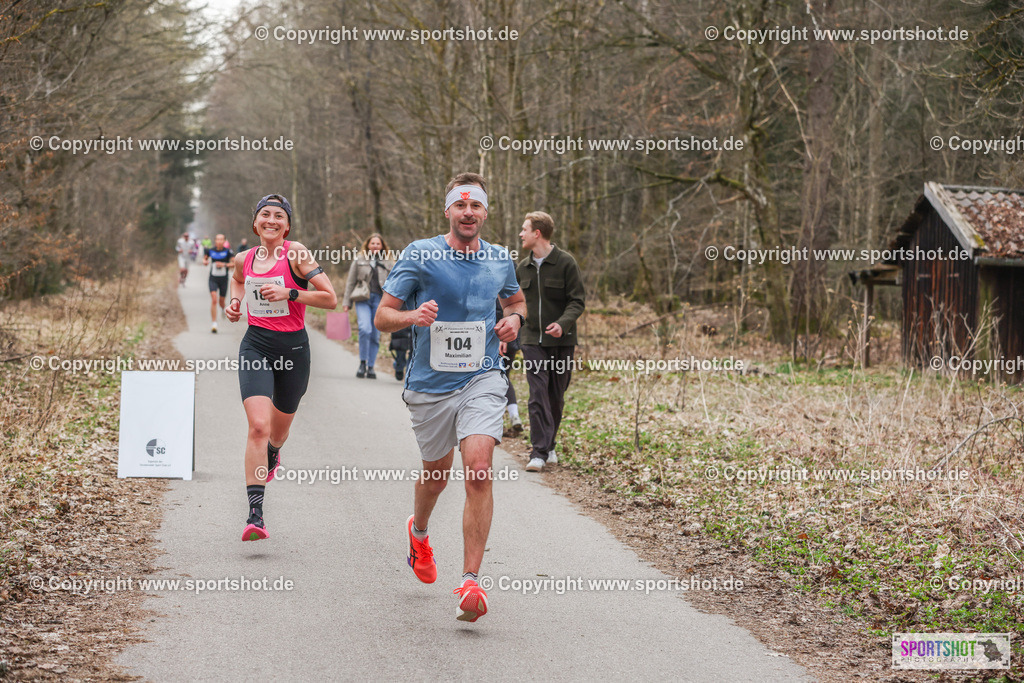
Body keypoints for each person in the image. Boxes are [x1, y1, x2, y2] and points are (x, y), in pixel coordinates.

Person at [375, 172, 525, 622]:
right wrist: (413, 316)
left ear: (485, 212)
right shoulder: (421, 254)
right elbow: (383, 316)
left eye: (475, 206)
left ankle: (471, 581)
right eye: (460, 206)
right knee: (436, 476)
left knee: (478, 470)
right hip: (429, 388)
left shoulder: (500, 259)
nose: (468, 213)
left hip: (482, 376)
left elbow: (516, 302)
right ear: (448, 211)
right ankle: (418, 532)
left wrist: (513, 322)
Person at [225, 193, 337, 541]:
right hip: (256, 345)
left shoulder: (297, 254)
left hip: (294, 350)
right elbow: (239, 280)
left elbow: (330, 299)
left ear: (287, 225)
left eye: (278, 216)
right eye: (264, 215)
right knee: (258, 426)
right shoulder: (243, 258)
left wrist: (290, 293)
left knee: (277, 430)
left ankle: (274, 452)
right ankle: (255, 516)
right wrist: (234, 302)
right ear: (255, 222)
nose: (271, 220)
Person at [516, 211, 585, 472]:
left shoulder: (566, 263)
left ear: (538, 233)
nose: (521, 234)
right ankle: (538, 452)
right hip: (532, 338)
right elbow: (515, 304)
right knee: (537, 393)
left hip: (562, 342)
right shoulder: (521, 268)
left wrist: (563, 323)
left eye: (524, 229)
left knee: (555, 396)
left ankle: (550, 444)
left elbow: (577, 301)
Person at [343, 233, 393, 379]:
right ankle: (362, 363)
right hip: (362, 299)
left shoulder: (390, 262)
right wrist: (347, 303)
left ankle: (371, 367)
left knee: (375, 335)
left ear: (382, 246)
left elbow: (396, 284)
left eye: (378, 244)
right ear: (368, 245)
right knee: (365, 329)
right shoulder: (359, 260)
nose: (375, 246)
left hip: (380, 301)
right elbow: (350, 282)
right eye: (373, 244)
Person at [496, 298, 523, 436]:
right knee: (504, 377)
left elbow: (502, 310)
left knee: (496, 378)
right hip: (510, 338)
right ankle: (514, 415)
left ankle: (497, 421)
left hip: (501, 338)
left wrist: (502, 339)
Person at [203, 234, 233, 333]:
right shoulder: (210, 250)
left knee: (221, 301)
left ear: (224, 241)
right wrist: (205, 262)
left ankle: (222, 308)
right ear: (215, 241)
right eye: (217, 239)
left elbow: (234, 263)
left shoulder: (228, 251)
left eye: (221, 239)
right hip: (213, 278)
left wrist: (224, 264)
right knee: (214, 299)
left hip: (224, 279)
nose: (219, 241)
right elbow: (205, 259)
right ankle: (214, 323)